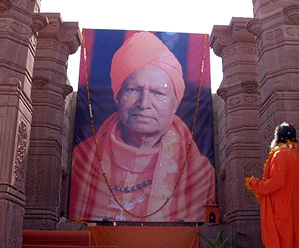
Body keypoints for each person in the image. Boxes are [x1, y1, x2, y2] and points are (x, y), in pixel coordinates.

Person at [70, 31, 215, 222]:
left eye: (158, 93)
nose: (144, 103)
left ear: (175, 103)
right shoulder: (82, 158)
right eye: (133, 90)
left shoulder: (200, 173)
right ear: (118, 96)